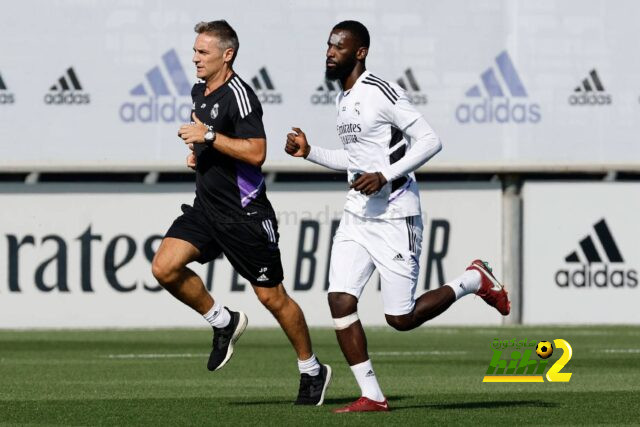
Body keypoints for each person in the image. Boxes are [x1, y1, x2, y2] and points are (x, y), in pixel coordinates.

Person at [285, 20, 510, 413]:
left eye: (339, 46)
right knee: (339, 299)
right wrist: (310, 152)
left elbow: (430, 140)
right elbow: (355, 162)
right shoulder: (344, 98)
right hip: (358, 216)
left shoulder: (380, 91)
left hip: (395, 214)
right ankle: (371, 394)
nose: (329, 52)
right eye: (328, 45)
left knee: (400, 319)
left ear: (360, 52)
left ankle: (474, 279)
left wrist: (386, 174)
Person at [151, 20, 331, 405]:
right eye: (195, 50)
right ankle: (223, 321)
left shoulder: (240, 95)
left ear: (226, 54)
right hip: (206, 210)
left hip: (244, 215)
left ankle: (312, 369)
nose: (195, 58)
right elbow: (213, 144)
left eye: (203, 52)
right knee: (164, 267)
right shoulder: (200, 90)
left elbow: (256, 152)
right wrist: (199, 155)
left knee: (272, 298)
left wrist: (209, 139)